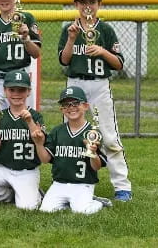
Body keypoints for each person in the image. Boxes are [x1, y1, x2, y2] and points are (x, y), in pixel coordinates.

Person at [58, 0, 132, 202]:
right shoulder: (69, 29)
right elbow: (64, 60)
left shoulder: (106, 30)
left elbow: (118, 64)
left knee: (109, 136)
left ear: (99, 4)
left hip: (99, 85)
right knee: (70, 136)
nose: (87, 6)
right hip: (75, 85)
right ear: (76, 5)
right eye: (83, 2)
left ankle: (122, 185)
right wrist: (71, 39)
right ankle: (69, 179)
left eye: (91, 2)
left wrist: (102, 51)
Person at [0, 70, 45, 210]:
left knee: (27, 208)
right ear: (5, 91)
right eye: (12, 90)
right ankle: (11, 196)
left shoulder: (36, 116)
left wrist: (30, 121)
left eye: (21, 90)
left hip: (27, 170)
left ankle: (34, 194)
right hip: (3, 169)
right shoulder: (0, 116)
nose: (16, 94)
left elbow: (39, 141)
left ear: (28, 92)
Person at [35, 86, 109, 215]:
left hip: (83, 184)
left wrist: (92, 152)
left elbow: (96, 167)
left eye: (75, 103)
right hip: (59, 183)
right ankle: (69, 202)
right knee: (45, 211)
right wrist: (39, 144)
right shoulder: (57, 131)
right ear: (62, 109)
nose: (71, 107)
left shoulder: (93, 133)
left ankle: (97, 202)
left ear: (85, 106)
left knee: (82, 212)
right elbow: (45, 159)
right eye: (66, 104)